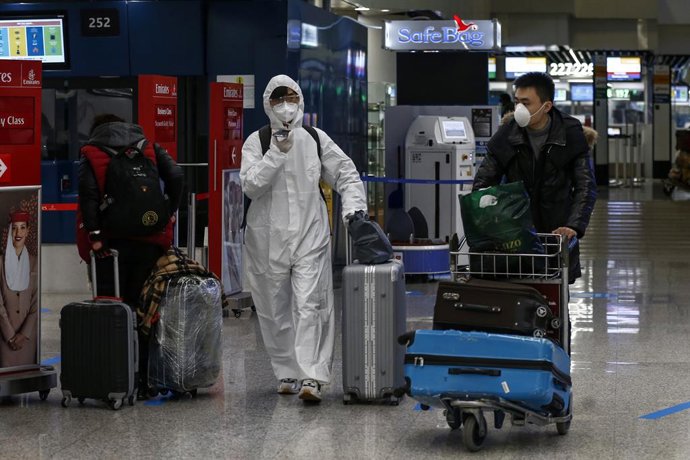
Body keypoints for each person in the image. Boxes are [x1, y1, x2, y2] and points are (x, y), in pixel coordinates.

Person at [240, 74, 367, 403]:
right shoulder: (257, 140)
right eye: (278, 99)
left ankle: (312, 375)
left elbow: (345, 173)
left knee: (311, 304)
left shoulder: (314, 137)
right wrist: (275, 154)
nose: (286, 105)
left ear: (301, 100)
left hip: (310, 235)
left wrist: (353, 209)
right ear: (268, 103)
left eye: (291, 97)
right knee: (272, 309)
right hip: (267, 240)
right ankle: (286, 370)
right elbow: (251, 185)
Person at [77, 114, 184, 398]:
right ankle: (146, 379)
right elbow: (176, 175)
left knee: (112, 308)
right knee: (145, 310)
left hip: (112, 246)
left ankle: (116, 379)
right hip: (150, 242)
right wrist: (167, 211)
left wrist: (96, 237)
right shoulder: (147, 146)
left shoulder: (91, 152)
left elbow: (87, 196)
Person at [473, 72, 597, 284]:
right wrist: (492, 219)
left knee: (554, 298)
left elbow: (585, 185)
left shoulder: (570, 134)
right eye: (517, 102)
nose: (519, 109)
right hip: (515, 234)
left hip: (556, 234)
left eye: (526, 103)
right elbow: (484, 183)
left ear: (546, 106)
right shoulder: (505, 135)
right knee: (516, 299)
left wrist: (573, 226)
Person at [0, 211, 38, 368]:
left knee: (27, 372)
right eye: (14, 228)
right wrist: (10, 335)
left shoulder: (35, 262)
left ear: (28, 231)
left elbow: (36, 301)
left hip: (27, 337)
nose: (18, 233)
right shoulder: (1, 262)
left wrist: (24, 333)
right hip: (4, 335)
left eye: (23, 228)